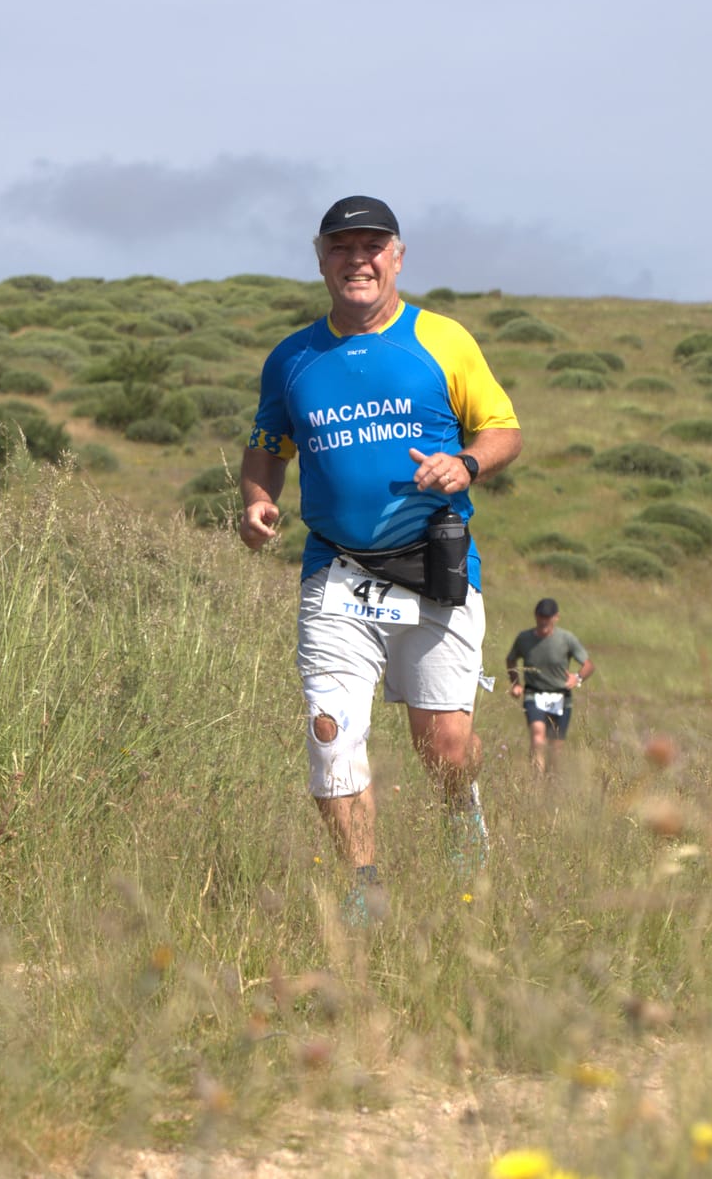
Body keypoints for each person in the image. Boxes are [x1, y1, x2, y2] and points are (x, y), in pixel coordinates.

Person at [239, 195, 522, 922]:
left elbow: (502, 428)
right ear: (320, 258)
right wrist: (256, 499)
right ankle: (364, 888)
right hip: (336, 571)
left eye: (372, 248)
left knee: (445, 744)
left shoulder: (443, 340)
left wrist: (466, 463)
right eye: (341, 248)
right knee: (329, 731)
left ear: (397, 257)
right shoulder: (292, 358)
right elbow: (268, 446)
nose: (356, 261)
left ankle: (464, 828)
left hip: (433, 565)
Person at [505, 598, 594, 774]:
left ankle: (551, 783)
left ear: (556, 617)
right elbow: (511, 659)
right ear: (535, 616)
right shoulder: (524, 638)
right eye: (540, 616)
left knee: (556, 747)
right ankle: (536, 784)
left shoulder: (566, 639)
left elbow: (588, 665)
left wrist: (577, 678)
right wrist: (515, 683)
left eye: (547, 617)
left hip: (561, 696)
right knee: (538, 738)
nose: (543, 621)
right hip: (534, 694)